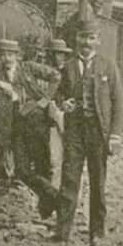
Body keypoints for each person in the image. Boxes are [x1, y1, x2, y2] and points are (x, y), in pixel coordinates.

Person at [52, 19, 123, 246]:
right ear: (77, 39)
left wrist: (115, 134)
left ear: (98, 41)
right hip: (74, 132)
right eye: (83, 37)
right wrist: (63, 103)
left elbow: (119, 102)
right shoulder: (68, 67)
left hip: (98, 133)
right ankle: (62, 232)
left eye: (91, 38)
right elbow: (58, 94)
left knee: (98, 182)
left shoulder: (108, 66)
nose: (86, 42)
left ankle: (97, 233)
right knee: (69, 180)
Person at [0, 38, 61, 219]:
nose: (7, 58)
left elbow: (55, 75)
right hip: (17, 125)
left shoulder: (28, 68)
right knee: (22, 170)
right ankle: (57, 198)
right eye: (3, 54)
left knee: (42, 165)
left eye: (10, 54)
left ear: (17, 55)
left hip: (37, 122)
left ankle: (47, 208)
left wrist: (45, 100)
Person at [46, 38, 73, 189]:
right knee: (54, 158)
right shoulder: (46, 72)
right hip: (51, 116)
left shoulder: (68, 72)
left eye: (60, 54)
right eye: (54, 54)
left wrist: (62, 104)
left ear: (64, 55)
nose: (57, 57)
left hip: (63, 114)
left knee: (65, 157)